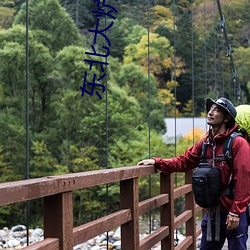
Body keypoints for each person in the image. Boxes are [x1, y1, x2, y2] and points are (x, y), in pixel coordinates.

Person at [137, 97, 250, 250]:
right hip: (213, 211)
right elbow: (184, 161)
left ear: (227, 118)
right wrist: (157, 162)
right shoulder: (205, 143)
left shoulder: (238, 143)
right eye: (210, 109)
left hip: (233, 211)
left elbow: (244, 178)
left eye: (216, 110)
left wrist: (236, 212)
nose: (210, 112)